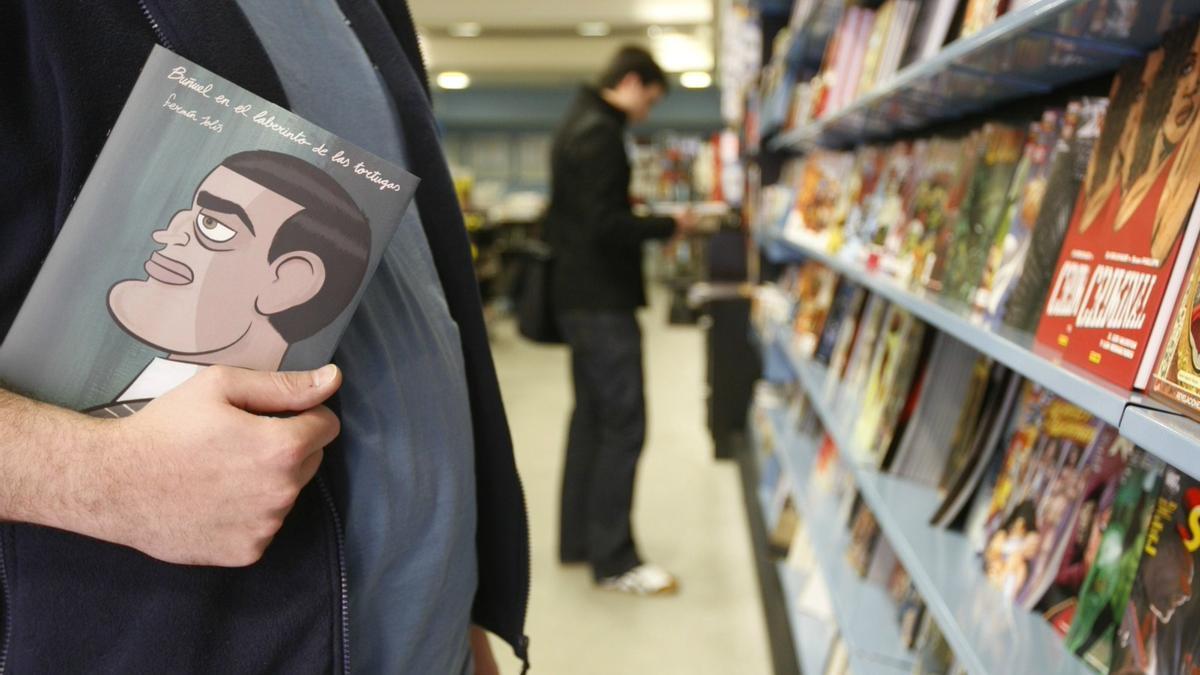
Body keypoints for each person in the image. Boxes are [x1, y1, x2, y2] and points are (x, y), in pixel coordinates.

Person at [1, 1, 528, 673]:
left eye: (211, 225)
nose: (167, 236)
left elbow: (420, 297)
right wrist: (94, 474)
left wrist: (464, 614)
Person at [544, 45, 696, 595]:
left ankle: (578, 542)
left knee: (591, 419)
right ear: (632, 81)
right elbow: (603, 226)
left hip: (579, 299)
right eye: (648, 101)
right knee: (623, 425)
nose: (645, 114)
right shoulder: (600, 134)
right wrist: (662, 225)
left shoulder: (574, 122)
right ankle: (615, 559)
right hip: (602, 302)